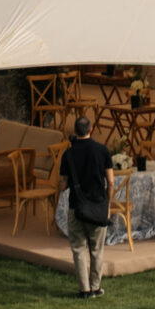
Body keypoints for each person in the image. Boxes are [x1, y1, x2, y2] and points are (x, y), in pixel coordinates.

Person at [62, 113, 115, 298]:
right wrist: (108, 203)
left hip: (76, 206)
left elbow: (62, 183)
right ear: (91, 130)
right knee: (97, 250)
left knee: (78, 249)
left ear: (74, 132)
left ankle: (83, 289)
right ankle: (95, 287)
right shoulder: (102, 150)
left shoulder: (68, 154)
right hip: (99, 205)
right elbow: (111, 181)